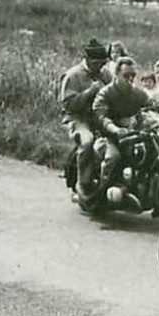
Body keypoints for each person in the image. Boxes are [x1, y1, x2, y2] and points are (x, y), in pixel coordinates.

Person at [90, 56, 159, 198]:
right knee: (113, 157)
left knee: (152, 152)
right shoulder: (106, 93)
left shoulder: (136, 93)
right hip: (109, 137)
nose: (130, 79)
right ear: (117, 74)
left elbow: (155, 106)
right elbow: (101, 116)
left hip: (131, 135)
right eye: (126, 75)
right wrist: (115, 129)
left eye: (133, 75)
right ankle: (100, 193)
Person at [59, 38, 111, 199]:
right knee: (87, 140)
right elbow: (68, 105)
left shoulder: (105, 75)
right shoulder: (73, 76)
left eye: (103, 63)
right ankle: (83, 184)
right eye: (97, 63)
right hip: (77, 118)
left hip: (99, 117)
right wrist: (89, 92)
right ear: (87, 60)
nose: (101, 66)